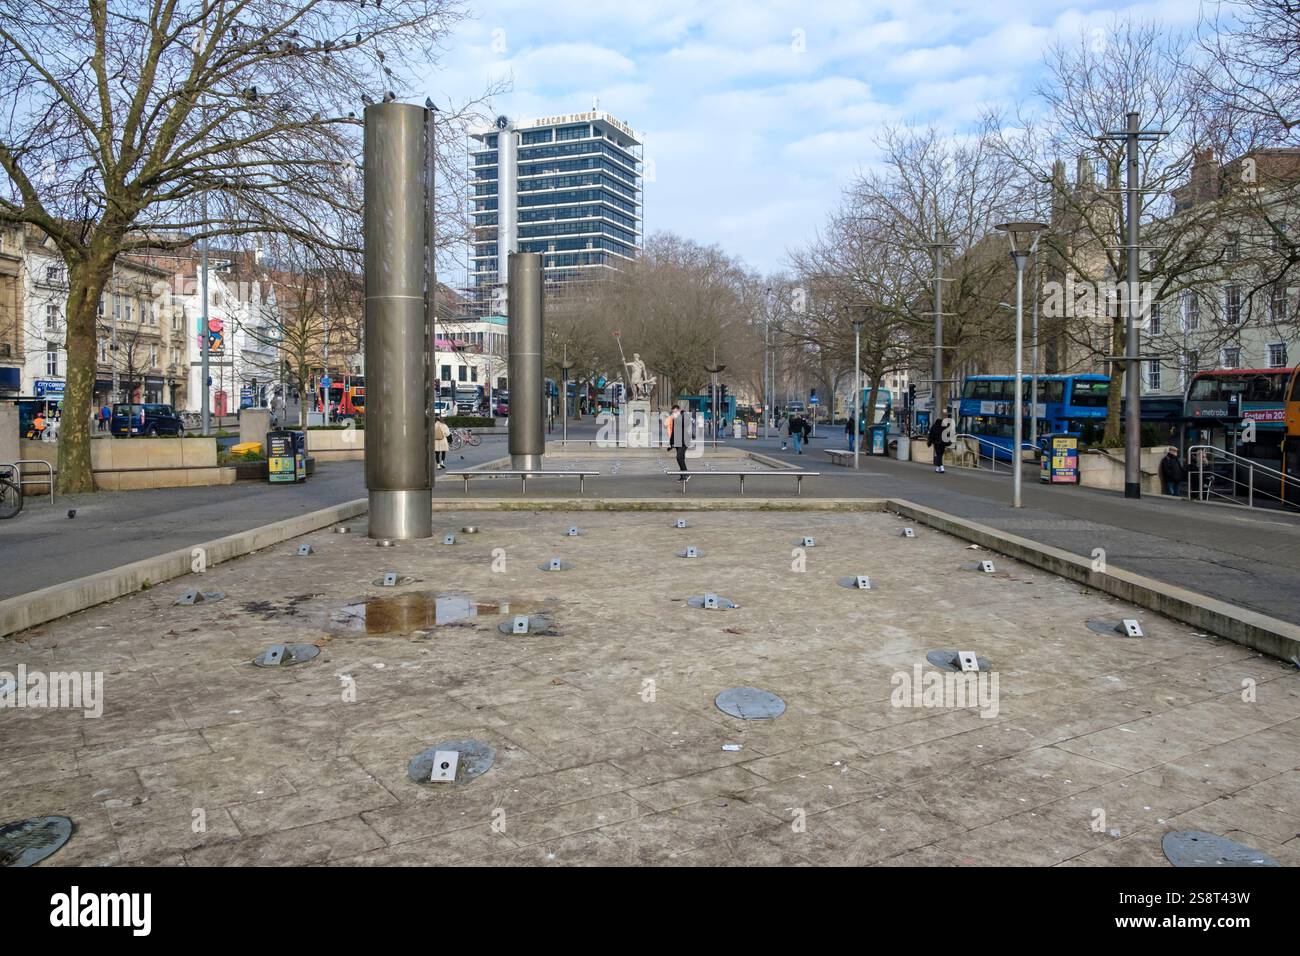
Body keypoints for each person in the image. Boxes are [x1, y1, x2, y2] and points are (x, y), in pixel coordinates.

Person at [667, 405, 690, 481]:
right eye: (673, 412)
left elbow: (685, 424)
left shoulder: (684, 415)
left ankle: (686, 474)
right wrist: (671, 444)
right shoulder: (675, 419)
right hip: (677, 441)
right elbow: (673, 431)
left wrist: (676, 418)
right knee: (681, 458)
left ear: (679, 410)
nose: (674, 413)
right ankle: (683, 476)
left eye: (675, 411)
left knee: (679, 457)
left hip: (684, 441)